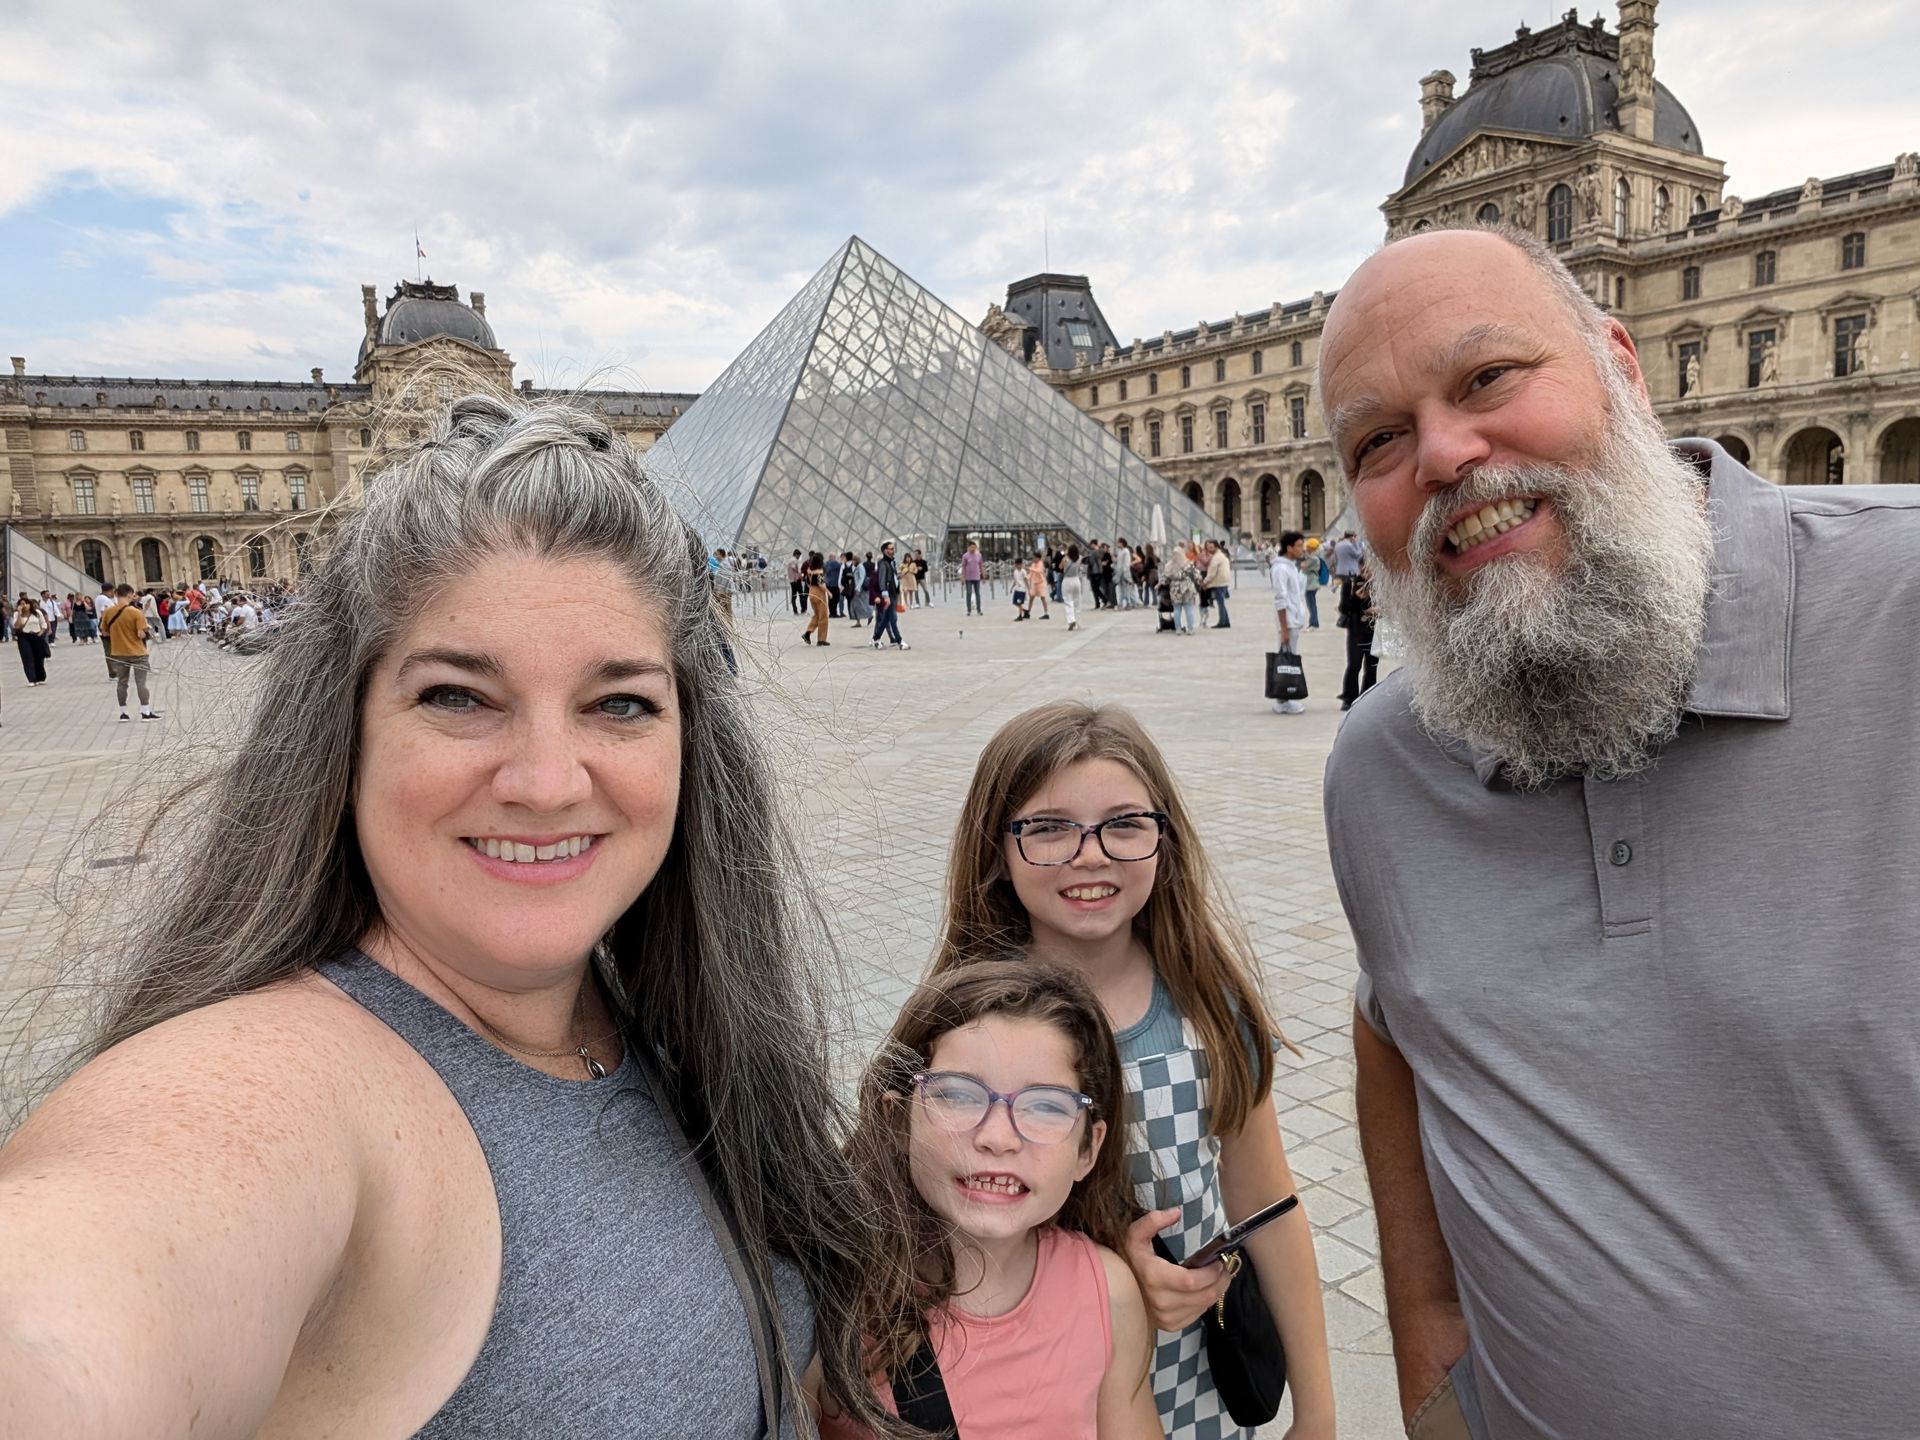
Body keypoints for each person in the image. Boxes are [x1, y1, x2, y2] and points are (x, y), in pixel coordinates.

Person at [0, 394, 908, 1437]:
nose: (546, 780)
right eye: (458, 696)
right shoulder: (278, 1087)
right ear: (344, 733)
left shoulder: (650, 1020)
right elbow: (73, 1310)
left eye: (619, 704)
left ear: (691, 744)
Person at [1319, 225, 1920, 1440]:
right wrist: (1436, 1383)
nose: (1443, 452)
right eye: (1378, 439)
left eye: (1488, 378)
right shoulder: (1382, 768)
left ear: (1623, 365)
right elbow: (1397, 1030)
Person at [931, 703, 1336, 1440]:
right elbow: (935, 1225)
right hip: (1038, 1394)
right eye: (1049, 828)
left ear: (1164, 839)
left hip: (1197, 1383)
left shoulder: (1210, 1012)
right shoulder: (962, 1034)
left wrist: (1318, 1413)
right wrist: (1111, 1276)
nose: (1091, 855)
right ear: (998, 845)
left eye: (1123, 824)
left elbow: (1267, 1208)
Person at [814, 962, 1160, 1439]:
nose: (998, 1138)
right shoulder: (836, 1304)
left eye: (1045, 1106)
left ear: (1088, 1149)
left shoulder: (1108, 1291)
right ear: (899, 1122)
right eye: (957, 1095)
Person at [99, 583, 160, 721]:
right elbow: (140, 635)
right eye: (132, 595)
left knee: (122, 682)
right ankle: (145, 711)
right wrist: (146, 631)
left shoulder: (108, 612)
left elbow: (104, 632)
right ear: (128, 595)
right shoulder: (135, 612)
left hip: (118, 652)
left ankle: (123, 713)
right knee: (141, 683)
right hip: (137, 652)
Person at [1267, 533, 1308, 716]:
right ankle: (1283, 697)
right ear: (1289, 547)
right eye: (1299, 545)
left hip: (1294, 619)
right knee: (1287, 661)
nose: (1302, 549)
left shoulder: (1290, 566)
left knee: (1290, 658)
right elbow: (1280, 599)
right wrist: (1284, 628)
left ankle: (1285, 696)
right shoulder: (1281, 569)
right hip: (1288, 621)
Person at [1335, 563, 1378, 712]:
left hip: (1374, 630)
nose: (1367, 572)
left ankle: (1369, 698)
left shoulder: (1380, 584)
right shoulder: (1350, 583)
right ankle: (1349, 698)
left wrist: (1378, 610)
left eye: (1370, 568)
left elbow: (1391, 606)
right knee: (1354, 665)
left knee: (1371, 667)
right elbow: (1344, 608)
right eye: (1364, 568)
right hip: (1356, 630)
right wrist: (1355, 597)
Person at [13, 596, 49, 685]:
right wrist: (20, 613)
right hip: (24, 637)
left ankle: (40, 677)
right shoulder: (17, 614)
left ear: (30, 604)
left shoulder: (37, 613)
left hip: (36, 635)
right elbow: (17, 626)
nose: (24, 605)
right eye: (21, 604)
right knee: (27, 657)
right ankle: (31, 679)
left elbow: (43, 625)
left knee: (39, 658)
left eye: (25, 603)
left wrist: (40, 633)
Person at [1163, 549, 1198, 636]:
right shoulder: (1188, 564)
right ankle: (1190, 629)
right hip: (1187, 588)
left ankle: (1178, 629)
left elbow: (1165, 579)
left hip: (1175, 589)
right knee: (1189, 609)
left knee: (1176, 609)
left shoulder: (1169, 565)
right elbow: (1196, 575)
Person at [802, 549, 831, 647]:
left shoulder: (809, 571)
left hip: (811, 593)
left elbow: (806, 582)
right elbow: (821, 584)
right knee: (823, 617)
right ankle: (821, 640)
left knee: (817, 615)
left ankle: (808, 632)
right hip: (819, 594)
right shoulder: (820, 571)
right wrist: (828, 592)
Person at [1201, 541, 1233, 629]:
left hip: (1219, 582)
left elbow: (1212, 573)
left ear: (1216, 547)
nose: (1209, 549)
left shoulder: (1216, 557)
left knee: (1220, 603)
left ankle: (1222, 622)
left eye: (1211, 547)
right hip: (1223, 581)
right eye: (1208, 547)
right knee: (1221, 602)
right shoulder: (1221, 555)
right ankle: (1225, 621)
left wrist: (1205, 582)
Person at [1298, 541, 1325, 629]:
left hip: (1311, 583)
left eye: (1307, 547)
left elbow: (1304, 567)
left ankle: (1313, 623)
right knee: (1311, 603)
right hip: (1310, 583)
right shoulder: (1312, 557)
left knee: (1311, 604)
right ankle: (1313, 622)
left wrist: (1304, 560)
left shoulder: (1313, 558)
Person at [1060, 544, 1086, 631]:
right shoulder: (1080, 558)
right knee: (1077, 602)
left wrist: (1065, 555)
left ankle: (1071, 620)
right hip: (1076, 580)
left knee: (1068, 601)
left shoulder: (1065, 559)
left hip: (1067, 580)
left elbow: (1060, 567)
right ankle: (1078, 622)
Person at [960, 541, 984, 616]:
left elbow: (981, 565)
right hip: (968, 578)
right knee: (969, 593)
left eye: (974, 547)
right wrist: (962, 577)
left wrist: (983, 575)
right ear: (969, 547)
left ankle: (979, 610)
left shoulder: (979, 555)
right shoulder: (965, 556)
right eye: (971, 547)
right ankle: (969, 610)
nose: (973, 548)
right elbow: (963, 567)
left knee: (978, 594)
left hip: (977, 577)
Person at [1025, 553, 1051, 621]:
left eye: (1034, 558)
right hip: (1034, 583)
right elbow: (1031, 573)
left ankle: (1046, 613)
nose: (1033, 559)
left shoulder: (1040, 563)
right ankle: (1028, 612)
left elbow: (1038, 571)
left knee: (1042, 598)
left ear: (1038, 558)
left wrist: (1030, 568)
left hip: (1040, 583)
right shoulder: (1033, 564)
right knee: (1031, 598)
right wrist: (1027, 577)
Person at [787, 548, 806, 615]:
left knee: (794, 595)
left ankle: (795, 610)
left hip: (792, 580)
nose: (799, 557)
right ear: (796, 555)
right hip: (796, 580)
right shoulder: (794, 560)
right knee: (800, 594)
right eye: (799, 556)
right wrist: (799, 573)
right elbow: (793, 567)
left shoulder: (790, 560)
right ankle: (803, 609)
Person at [825, 552, 844, 618]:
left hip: (828, 584)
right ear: (833, 557)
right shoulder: (835, 563)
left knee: (830, 599)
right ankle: (834, 613)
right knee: (836, 599)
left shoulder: (826, 563)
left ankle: (831, 613)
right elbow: (842, 567)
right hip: (835, 584)